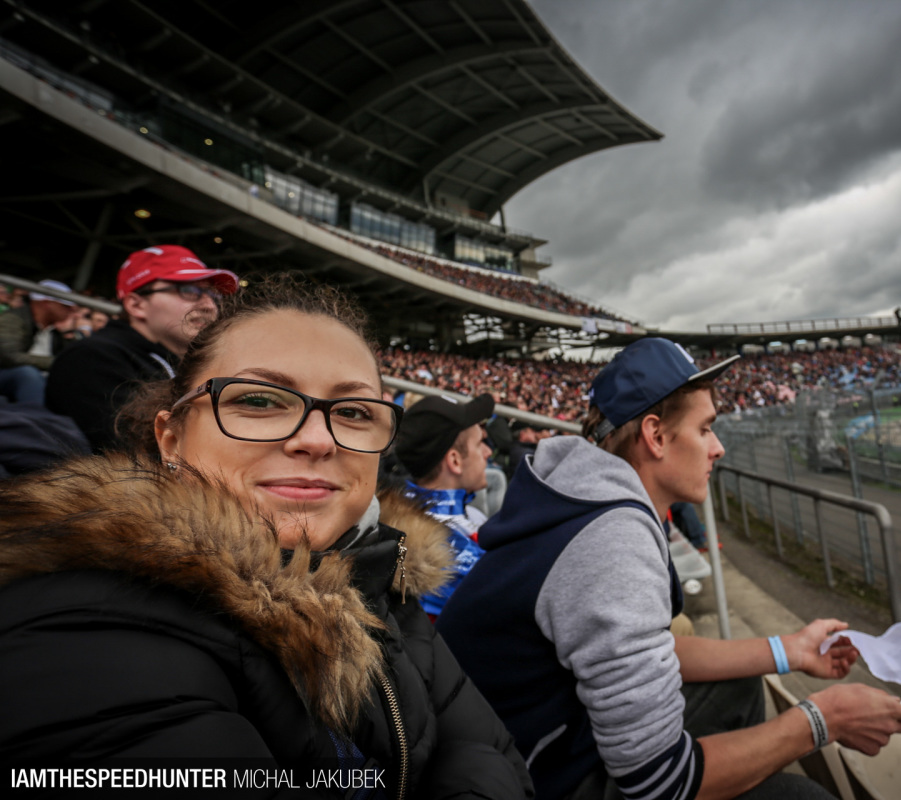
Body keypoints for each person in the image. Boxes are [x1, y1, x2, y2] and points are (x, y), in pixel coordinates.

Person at [0, 275, 533, 798]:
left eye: (352, 412)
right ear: (170, 438)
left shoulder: (383, 577)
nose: (317, 439)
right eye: (258, 401)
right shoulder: (83, 627)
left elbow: (492, 756)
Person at [437, 338, 901, 800]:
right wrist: (824, 720)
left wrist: (788, 650)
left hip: (525, 747)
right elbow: (659, 783)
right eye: (705, 429)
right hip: (532, 782)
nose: (718, 448)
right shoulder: (611, 540)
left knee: (736, 686)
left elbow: (652, 648)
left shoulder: (588, 498)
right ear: (655, 435)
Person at [45, 245, 238, 452]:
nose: (210, 305)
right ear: (136, 305)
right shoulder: (90, 360)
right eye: (189, 290)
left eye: (213, 294)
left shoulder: (190, 363)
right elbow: (146, 454)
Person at [394, 393, 495, 619]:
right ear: (455, 461)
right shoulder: (459, 551)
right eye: (480, 444)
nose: (488, 452)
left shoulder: (397, 509)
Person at [0, 279, 75, 404]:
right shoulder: (12, 319)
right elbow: (9, 357)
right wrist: (56, 362)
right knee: (27, 374)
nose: (71, 311)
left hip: (39, 380)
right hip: (10, 374)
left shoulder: (55, 330)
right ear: (47, 304)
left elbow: (69, 359)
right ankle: (36, 418)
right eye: (65, 306)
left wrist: (68, 333)